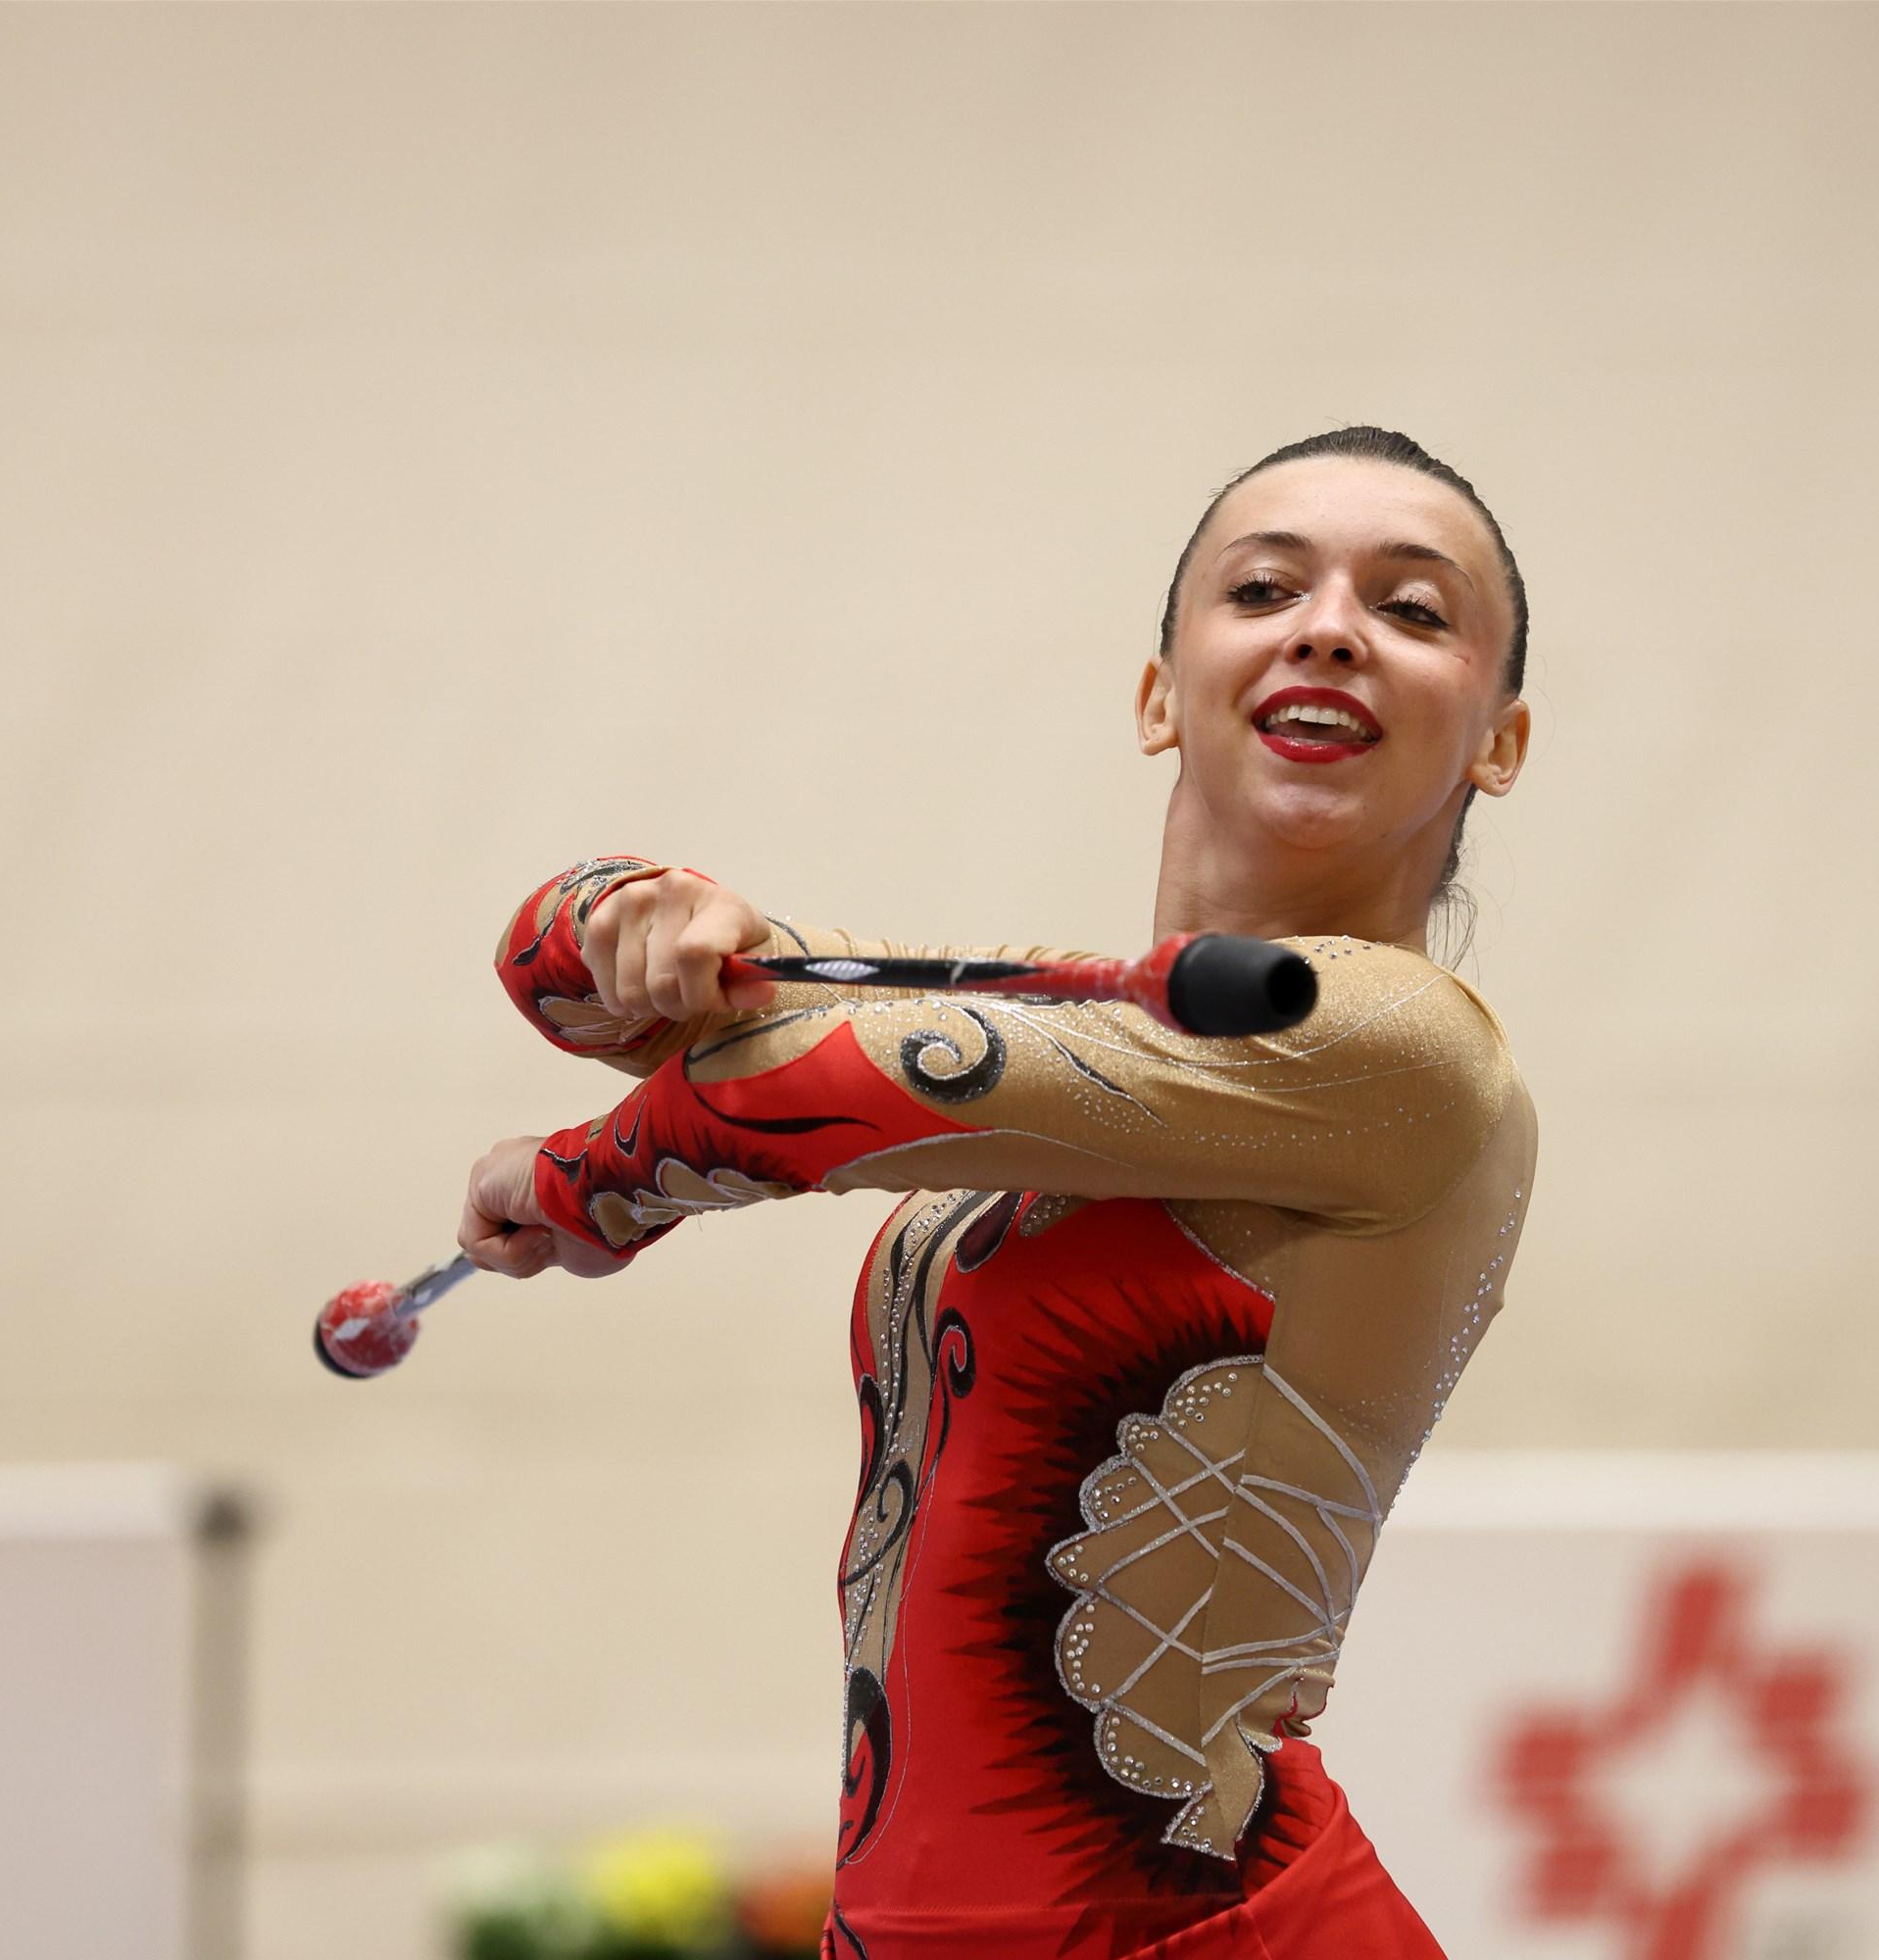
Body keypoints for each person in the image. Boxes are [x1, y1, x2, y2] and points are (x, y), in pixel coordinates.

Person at [456, 427, 1539, 1958]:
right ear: (1158, 694)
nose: (1330, 629)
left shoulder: (1406, 1051)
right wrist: (641, 916)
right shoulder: (1088, 1055)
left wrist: (582, 1181)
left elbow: (790, 1092)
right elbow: (579, 983)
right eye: (1265, 589)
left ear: (1499, 741)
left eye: (1413, 610)